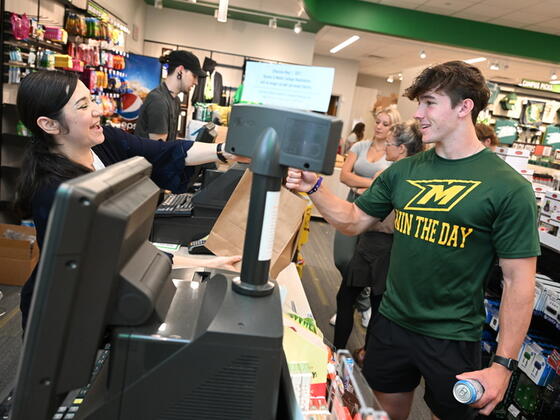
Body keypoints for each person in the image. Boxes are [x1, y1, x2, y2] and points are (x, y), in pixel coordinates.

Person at [286, 61, 539, 420]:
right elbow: (353, 221)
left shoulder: (509, 187)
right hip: (390, 323)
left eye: (429, 103)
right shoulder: (404, 171)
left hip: (452, 335)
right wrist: (314, 186)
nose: (418, 114)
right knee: (384, 413)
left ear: (464, 107)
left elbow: (519, 282)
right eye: (418, 103)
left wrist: (502, 365)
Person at [14, 70, 239, 331]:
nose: (98, 110)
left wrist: (225, 152)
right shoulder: (56, 193)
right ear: (50, 125)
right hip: (62, 314)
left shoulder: (103, 142)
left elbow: (164, 152)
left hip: (100, 297)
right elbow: (115, 259)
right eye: (84, 106)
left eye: (92, 100)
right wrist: (203, 263)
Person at [339, 120, 424, 365]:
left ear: (402, 149)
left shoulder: (389, 175)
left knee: (347, 298)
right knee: (378, 305)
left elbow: (365, 205)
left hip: (377, 244)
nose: (385, 146)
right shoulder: (418, 175)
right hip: (391, 248)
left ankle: (340, 352)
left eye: (389, 143)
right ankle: (367, 354)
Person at [331, 108, 401, 339]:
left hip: (380, 219)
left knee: (369, 267)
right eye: (378, 122)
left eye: (385, 123)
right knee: (343, 258)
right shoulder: (360, 146)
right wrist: (374, 181)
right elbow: (345, 176)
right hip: (353, 204)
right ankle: (360, 303)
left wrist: (370, 185)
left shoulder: (396, 156)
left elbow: (390, 185)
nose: (379, 126)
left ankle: (359, 304)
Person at [135, 50, 205, 141]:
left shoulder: (175, 100)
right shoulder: (159, 101)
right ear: (180, 70)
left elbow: (169, 142)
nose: (196, 82)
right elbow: (158, 150)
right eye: (194, 76)